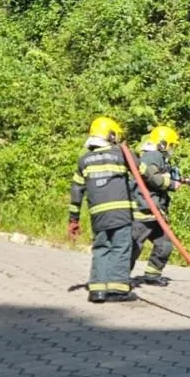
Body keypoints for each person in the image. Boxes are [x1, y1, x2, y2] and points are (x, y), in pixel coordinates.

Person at [69, 116, 166, 303]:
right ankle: (118, 289)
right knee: (121, 247)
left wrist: (73, 218)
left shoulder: (84, 160)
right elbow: (144, 171)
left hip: (98, 214)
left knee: (101, 247)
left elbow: (76, 190)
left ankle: (96, 290)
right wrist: (165, 181)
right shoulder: (121, 154)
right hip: (120, 212)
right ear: (110, 135)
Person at [130, 125, 190, 286]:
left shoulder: (159, 158)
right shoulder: (152, 156)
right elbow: (153, 178)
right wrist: (172, 184)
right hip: (143, 210)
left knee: (164, 243)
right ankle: (119, 277)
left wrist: (178, 179)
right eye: (171, 145)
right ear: (162, 143)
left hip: (156, 212)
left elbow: (162, 175)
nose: (172, 149)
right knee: (133, 246)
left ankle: (152, 275)